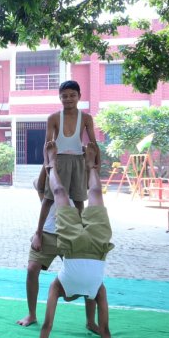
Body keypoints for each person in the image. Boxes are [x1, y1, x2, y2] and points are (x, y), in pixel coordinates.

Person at [29, 141, 114, 338]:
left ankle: (87, 166)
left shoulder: (95, 289)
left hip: (96, 246)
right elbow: (48, 324)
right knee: (59, 192)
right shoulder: (62, 287)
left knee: (92, 193)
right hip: (76, 245)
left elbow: (48, 323)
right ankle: (55, 165)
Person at [16, 166, 99, 332]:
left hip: (71, 235)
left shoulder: (76, 187)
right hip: (46, 233)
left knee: (86, 274)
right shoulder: (48, 185)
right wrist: (48, 160)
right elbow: (40, 186)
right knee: (32, 269)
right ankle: (31, 314)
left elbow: (91, 189)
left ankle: (90, 321)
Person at [35, 80, 97, 244]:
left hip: (78, 161)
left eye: (72, 95)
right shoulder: (53, 118)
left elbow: (93, 144)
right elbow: (47, 145)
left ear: (79, 97)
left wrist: (95, 168)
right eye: (64, 96)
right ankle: (39, 233)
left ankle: (78, 234)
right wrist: (49, 166)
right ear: (59, 98)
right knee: (48, 199)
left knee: (78, 200)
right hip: (58, 161)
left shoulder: (86, 118)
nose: (68, 99)